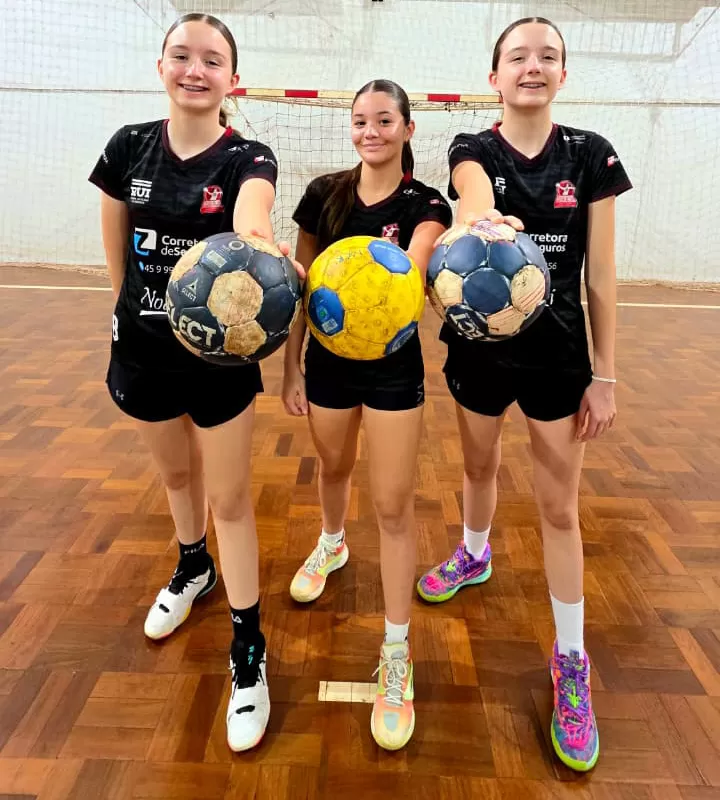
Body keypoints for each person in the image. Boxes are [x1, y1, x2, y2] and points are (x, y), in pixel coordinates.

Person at [416, 17, 632, 772]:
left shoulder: (592, 156)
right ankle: (474, 554)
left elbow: (599, 277)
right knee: (477, 468)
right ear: (495, 76)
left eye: (548, 57)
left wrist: (604, 375)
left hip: (559, 357)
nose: (532, 66)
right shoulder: (473, 149)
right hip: (479, 346)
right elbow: (471, 192)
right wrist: (482, 217)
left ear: (564, 76)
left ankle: (570, 661)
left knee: (558, 506)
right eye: (518, 57)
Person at [88, 12, 302, 753]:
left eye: (212, 60)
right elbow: (118, 249)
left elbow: (253, 214)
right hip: (144, 350)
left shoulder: (249, 155)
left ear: (230, 80)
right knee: (175, 477)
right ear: (161, 66)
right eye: (182, 55)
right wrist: (133, 316)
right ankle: (192, 567)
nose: (195, 69)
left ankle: (249, 644)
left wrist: (260, 243)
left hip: (220, 359)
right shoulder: (126, 148)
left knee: (230, 497)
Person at [282, 79, 452, 750]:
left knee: (393, 505)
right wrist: (290, 366)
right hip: (326, 363)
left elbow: (406, 280)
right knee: (333, 465)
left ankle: (397, 652)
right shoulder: (323, 194)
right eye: (360, 120)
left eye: (385, 119)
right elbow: (296, 287)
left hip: (391, 367)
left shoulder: (425, 204)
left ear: (409, 129)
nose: (370, 130)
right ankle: (331, 541)